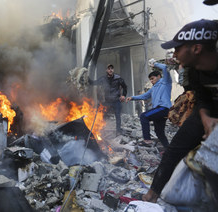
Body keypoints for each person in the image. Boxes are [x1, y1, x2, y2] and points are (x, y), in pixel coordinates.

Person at [142, 19, 218, 203]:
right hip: (210, 109)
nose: (174, 54)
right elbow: (202, 97)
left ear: (196, 49)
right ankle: (152, 195)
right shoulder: (193, 72)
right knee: (175, 148)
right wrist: (206, 118)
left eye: (177, 48)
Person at [126, 62, 172, 148]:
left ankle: (147, 140)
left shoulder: (166, 82)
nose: (151, 81)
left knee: (144, 116)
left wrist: (155, 64)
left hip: (163, 108)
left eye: (152, 78)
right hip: (159, 111)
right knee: (159, 132)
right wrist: (132, 98)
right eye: (150, 79)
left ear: (159, 76)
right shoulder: (153, 88)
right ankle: (168, 149)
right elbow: (145, 96)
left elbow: (165, 67)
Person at [88, 64, 127, 136]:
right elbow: (93, 83)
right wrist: (86, 77)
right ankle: (101, 131)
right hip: (107, 101)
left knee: (118, 116)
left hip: (116, 101)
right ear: (106, 70)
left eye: (112, 68)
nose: (110, 70)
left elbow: (125, 87)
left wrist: (124, 95)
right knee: (103, 115)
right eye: (109, 68)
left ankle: (118, 131)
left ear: (113, 70)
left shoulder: (118, 78)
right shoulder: (103, 79)